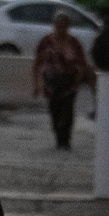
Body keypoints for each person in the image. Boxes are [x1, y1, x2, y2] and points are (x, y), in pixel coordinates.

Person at [32, 11, 94, 149]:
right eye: (58, 26)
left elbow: (81, 63)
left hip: (69, 82)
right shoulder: (46, 42)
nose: (61, 30)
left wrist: (78, 81)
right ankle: (58, 137)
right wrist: (37, 85)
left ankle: (65, 140)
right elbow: (37, 64)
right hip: (52, 84)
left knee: (67, 112)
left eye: (64, 26)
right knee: (55, 111)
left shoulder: (73, 42)